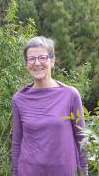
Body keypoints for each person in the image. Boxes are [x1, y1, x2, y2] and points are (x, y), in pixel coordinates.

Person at [11, 36, 88, 176]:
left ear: (52, 61)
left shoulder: (70, 95)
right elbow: (17, 142)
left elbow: (81, 140)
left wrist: (84, 172)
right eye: (31, 59)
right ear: (26, 63)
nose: (37, 63)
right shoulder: (19, 99)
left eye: (42, 57)